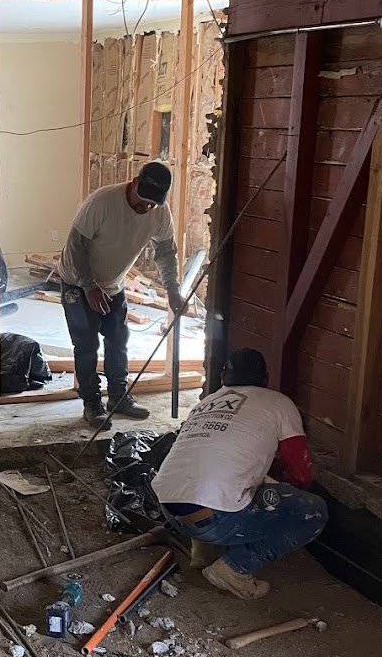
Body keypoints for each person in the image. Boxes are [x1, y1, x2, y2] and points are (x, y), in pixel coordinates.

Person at [152, 347, 327, 600]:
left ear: (224, 376)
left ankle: (203, 553)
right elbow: (299, 470)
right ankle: (234, 568)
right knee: (313, 511)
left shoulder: (205, 403)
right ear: (265, 378)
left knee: (217, 482)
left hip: (169, 510)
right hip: (214, 520)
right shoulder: (279, 402)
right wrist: (287, 497)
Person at [58, 161, 185, 426]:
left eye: (153, 203)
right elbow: (76, 247)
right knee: (86, 345)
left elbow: (165, 252)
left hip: (113, 285)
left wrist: (173, 289)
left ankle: (118, 396)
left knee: (118, 341)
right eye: (143, 201)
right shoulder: (102, 202)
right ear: (135, 182)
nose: (147, 208)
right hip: (77, 284)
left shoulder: (159, 212)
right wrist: (89, 287)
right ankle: (92, 402)